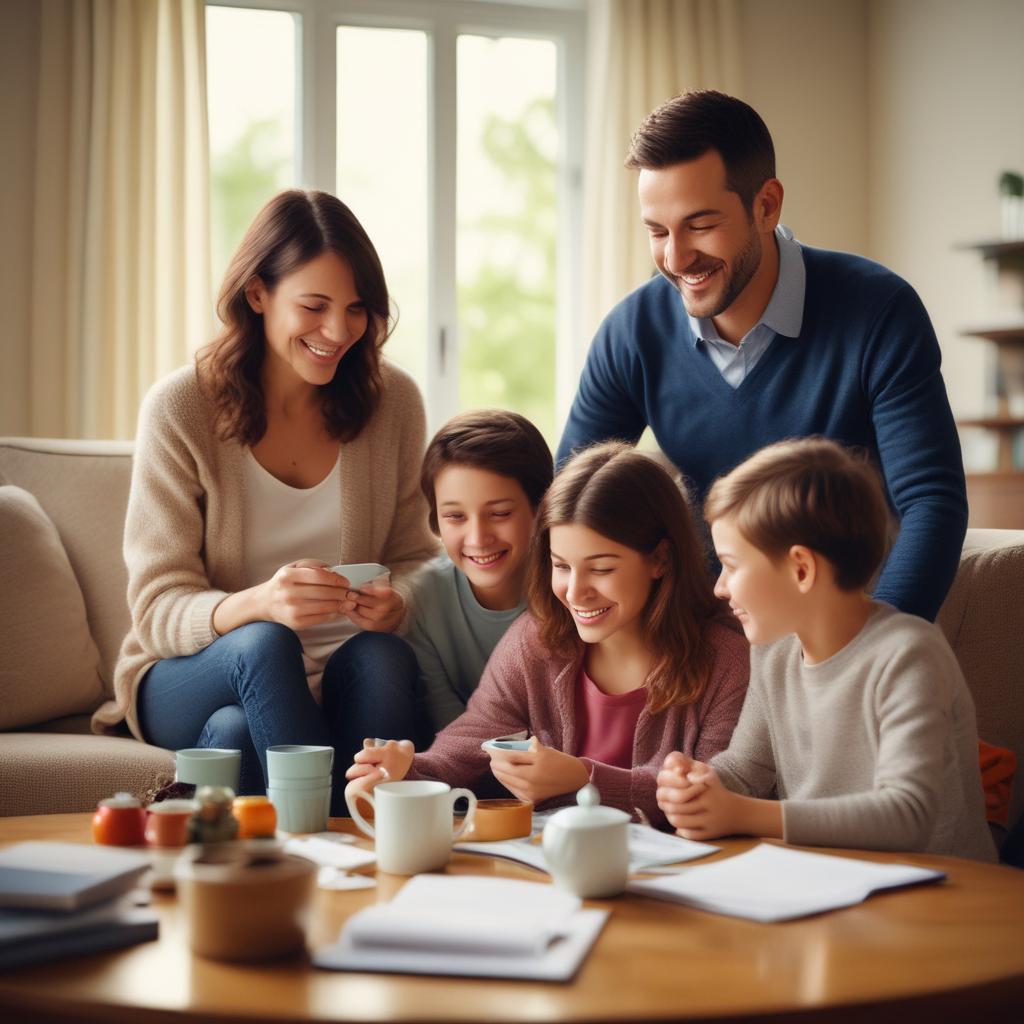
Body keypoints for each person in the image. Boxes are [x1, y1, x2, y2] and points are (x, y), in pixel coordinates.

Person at [557, 89, 966, 622]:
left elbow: (932, 502)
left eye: (700, 225)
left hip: (846, 621)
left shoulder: (879, 311)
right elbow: (565, 501)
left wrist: (868, 656)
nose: (676, 258)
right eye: (657, 232)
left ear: (766, 205)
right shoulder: (632, 332)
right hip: (707, 632)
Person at [92, 189, 438, 805]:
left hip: (339, 670)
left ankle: (329, 843)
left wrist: (399, 603)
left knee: (380, 659)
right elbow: (157, 606)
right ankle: (338, 835)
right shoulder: (181, 408)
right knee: (264, 642)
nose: (339, 331)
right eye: (314, 305)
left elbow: (416, 559)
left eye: (357, 308)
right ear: (258, 295)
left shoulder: (394, 404)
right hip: (193, 672)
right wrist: (261, 602)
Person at [345, 442, 749, 826]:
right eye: (561, 565)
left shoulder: (726, 658)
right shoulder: (536, 640)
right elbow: (464, 749)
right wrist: (404, 771)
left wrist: (583, 777)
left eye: (602, 569)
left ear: (660, 559)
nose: (575, 592)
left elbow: (716, 792)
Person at [655, 438, 996, 862]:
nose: (719, 587)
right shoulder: (774, 651)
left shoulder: (908, 654)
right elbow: (746, 769)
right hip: (830, 879)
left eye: (732, 564)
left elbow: (908, 814)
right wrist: (700, 784)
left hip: (944, 893)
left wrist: (745, 815)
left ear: (801, 569)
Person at [406, 409, 554, 741]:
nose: (477, 538)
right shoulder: (424, 596)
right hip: (464, 765)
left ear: (540, 508)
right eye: (455, 516)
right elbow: (449, 725)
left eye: (500, 513)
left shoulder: (570, 588)